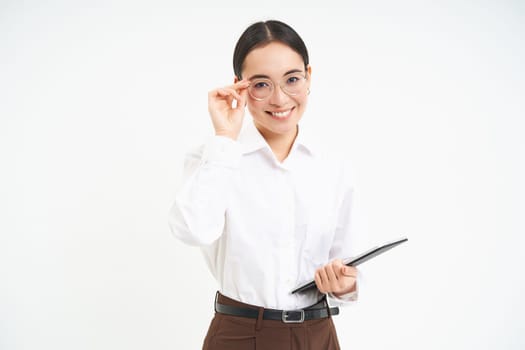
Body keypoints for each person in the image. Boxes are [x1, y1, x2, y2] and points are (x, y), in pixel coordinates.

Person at [169, 19, 361, 350]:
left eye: (292, 79)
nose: (279, 99)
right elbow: (193, 230)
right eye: (261, 84)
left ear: (309, 77)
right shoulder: (216, 157)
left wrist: (343, 284)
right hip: (240, 333)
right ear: (239, 87)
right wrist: (225, 139)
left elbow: (349, 262)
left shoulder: (333, 166)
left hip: (317, 334)